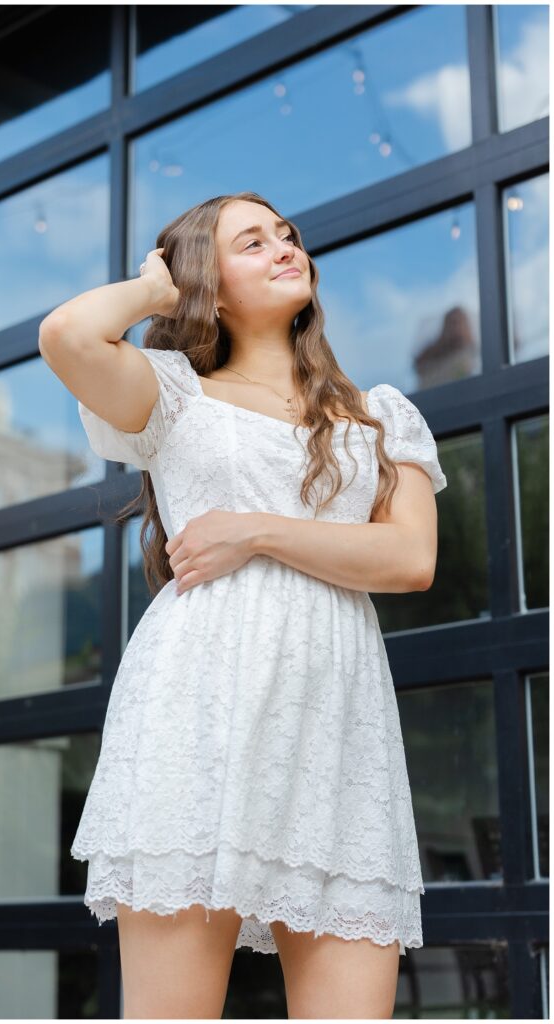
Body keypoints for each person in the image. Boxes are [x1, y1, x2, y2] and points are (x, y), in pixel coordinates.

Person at [38, 191, 448, 1019]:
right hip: (197, 715)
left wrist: (255, 532)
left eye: (287, 236)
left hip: (338, 729)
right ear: (209, 284)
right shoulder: (172, 396)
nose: (285, 247)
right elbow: (67, 336)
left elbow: (410, 559)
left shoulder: (376, 418)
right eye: (252, 242)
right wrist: (159, 289)